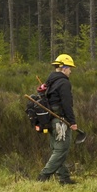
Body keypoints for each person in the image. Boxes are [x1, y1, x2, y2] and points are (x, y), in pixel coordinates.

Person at [37, 54, 79, 185]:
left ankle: (64, 178)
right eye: (70, 68)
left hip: (50, 120)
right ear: (64, 68)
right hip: (60, 121)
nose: (71, 71)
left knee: (57, 149)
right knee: (61, 149)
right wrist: (72, 122)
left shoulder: (50, 81)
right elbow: (67, 104)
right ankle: (43, 177)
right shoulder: (64, 83)